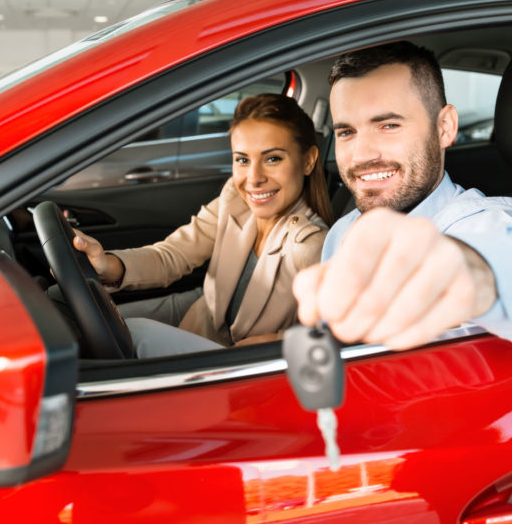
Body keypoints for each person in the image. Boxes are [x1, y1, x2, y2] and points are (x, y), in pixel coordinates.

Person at [293, 41, 512, 360]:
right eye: (347, 132)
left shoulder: (482, 225)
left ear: (445, 127)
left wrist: (472, 272)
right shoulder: (342, 230)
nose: (361, 154)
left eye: (388, 125)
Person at [73, 93, 334, 357]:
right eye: (242, 160)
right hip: (197, 324)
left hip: (236, 372)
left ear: (309, 160)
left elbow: (332, 334)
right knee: (88, 326)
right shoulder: (234, 199)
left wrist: (280, 340)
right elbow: (171, 256)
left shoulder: (312, 245)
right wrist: (108, 266)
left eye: (272, 159)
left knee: (134, 334)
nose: (253, 179)